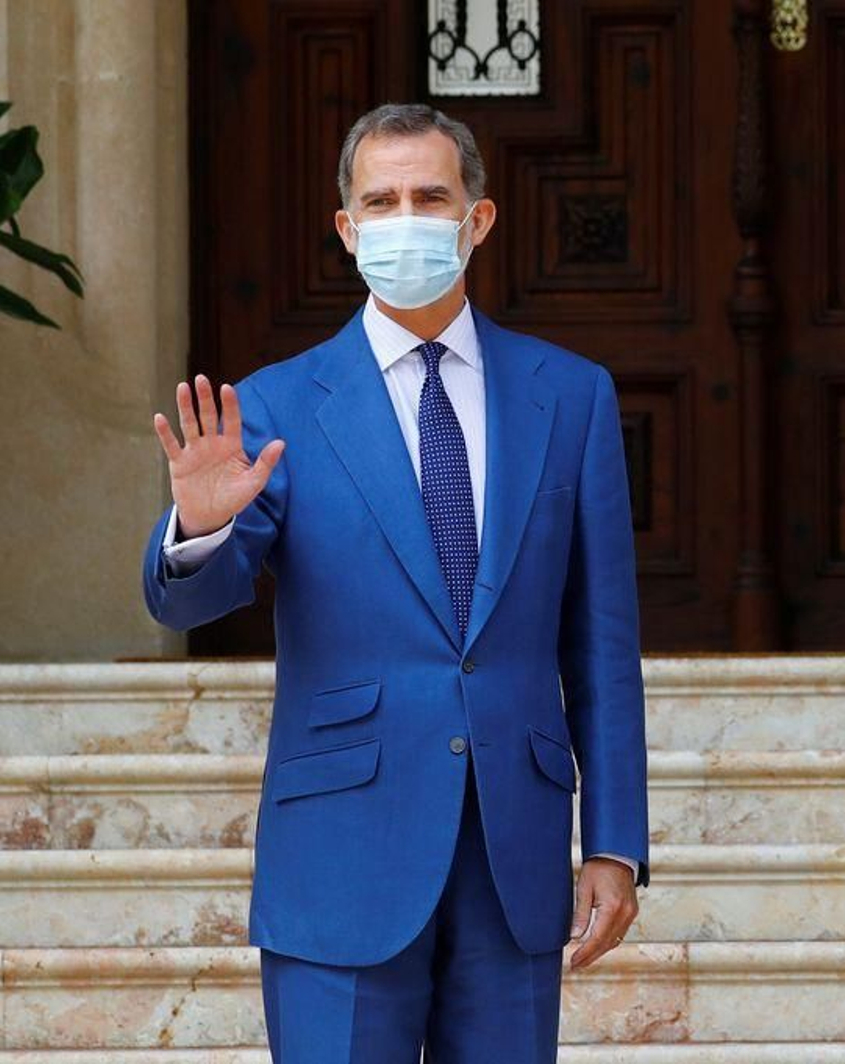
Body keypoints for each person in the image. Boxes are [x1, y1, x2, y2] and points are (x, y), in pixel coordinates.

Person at [141, 104, 648, 1063]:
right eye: (380, 200)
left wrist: (615, 843)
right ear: (347, 228)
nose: (404, 217)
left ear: (478, 219)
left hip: (515, 852)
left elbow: (602, 642)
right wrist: (203, 527)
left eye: (429, 197)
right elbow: (188, 603)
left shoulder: (570, 394)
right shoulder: (279, 402)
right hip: (340, 855)